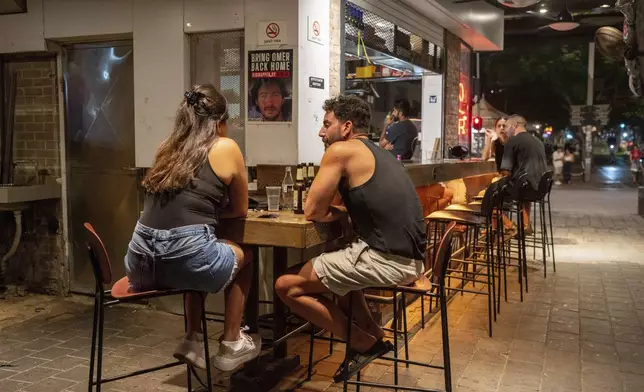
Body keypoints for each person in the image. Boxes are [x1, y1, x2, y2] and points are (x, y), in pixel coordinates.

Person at [275, 95, 426, 381]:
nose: (321, 132)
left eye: (326, 124)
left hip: (389, 260)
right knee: (341, 281)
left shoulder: (341, 151)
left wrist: (335, 214)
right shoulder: (379, 153)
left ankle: (360, 342)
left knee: (286, 286)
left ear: (345, 127)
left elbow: (311, 210)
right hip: (411, 260)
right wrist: (341, 214)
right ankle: (374, 335)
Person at [124, 85, 260, 372]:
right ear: (221, 121)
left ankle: (192, 339)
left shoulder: (167, 147)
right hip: (185, 258)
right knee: (244, 253)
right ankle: (232, 342)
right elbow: (239, 210)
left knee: (198, 251)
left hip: (139, 264)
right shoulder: (225, 146)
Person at [500, 115, 547, 235]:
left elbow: (506, 171)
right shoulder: (538, 142)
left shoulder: (513, 141)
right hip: (540, 189)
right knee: (523, 184)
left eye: (506, 126)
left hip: (525, 189)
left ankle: (509, 227)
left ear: (514, 125)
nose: (504, 130)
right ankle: (525, 224)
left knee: (489, 195)